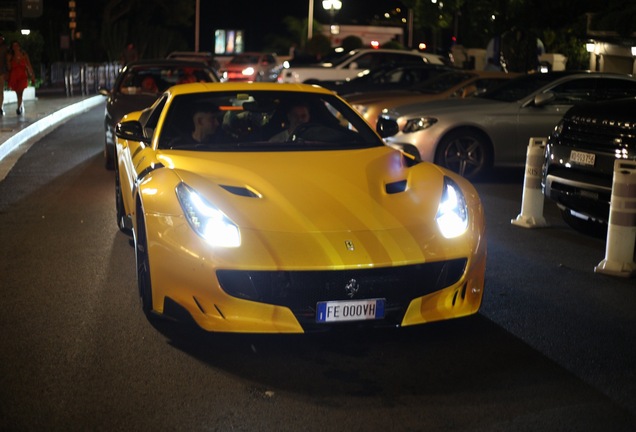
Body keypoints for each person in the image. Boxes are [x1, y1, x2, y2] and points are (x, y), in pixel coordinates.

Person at [7, 40, 35, 115]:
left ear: (19, 46)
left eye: (16, 45)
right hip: (14, 76)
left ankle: (19, 107)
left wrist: (32, 75)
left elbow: (29, 65)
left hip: (22, 75)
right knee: (17, 92)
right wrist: (9, 61)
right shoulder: (11, 56)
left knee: (21, 92)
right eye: (14, 46)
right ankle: (20, 105)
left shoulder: (24, 54)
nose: (15, 47)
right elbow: (9, 67)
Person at [0, 35, 9, 115]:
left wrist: (7, 72)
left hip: (2, 72)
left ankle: (0, 107)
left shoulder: (5, 49)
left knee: (1, 90)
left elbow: (7, 61)